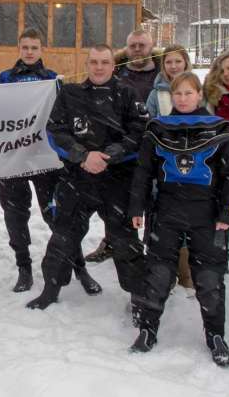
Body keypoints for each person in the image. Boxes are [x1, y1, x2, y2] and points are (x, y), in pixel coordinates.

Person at [128, 72, 229, 367]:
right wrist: (136, 208)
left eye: (188, 93)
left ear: (200, 94)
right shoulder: (157, 129)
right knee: (159, 272)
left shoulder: (219, 128)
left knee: (209, 277)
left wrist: (228, 213)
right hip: (165, 210)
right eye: (177, 94)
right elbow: (142, 172)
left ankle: (216, 335)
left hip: (206, 213)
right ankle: (148, 328)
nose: (182, 99)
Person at [26, 45, 148, 311]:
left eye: (105, 62)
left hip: (117, 178)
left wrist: (112, 154)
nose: (99, 67)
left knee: (124, 239)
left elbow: (140, 131)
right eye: (94, 62)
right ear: (87, 64)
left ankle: (139, 297)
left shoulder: (127, 94)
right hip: (78, 176)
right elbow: (55, 131)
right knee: (63, 234)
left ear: (113, 65)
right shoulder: (71, 94)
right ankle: (51, 288)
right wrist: (82, 155)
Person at [0, 29, 100, 294]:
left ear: (42, 50)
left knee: (58, 218)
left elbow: (65, 116)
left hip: (46, 160)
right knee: (15, 217)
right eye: (25, 47)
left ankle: (79, 268)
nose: (29, 52)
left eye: (34, 47)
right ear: (18, 49)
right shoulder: (5, 78)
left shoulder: (52, 79)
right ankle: (24, 268)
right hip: (13, 159)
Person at [87, 28, 160, 263]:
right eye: (133, 45)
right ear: (126, 49)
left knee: (153, 199)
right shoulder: (114, 73)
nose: (137, 49)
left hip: (156, 147)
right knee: (118, 204)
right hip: (120, 151)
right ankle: (114, 242)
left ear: (151, 46)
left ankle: (155, 248)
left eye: (142, 45)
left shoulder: (163, 74)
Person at [144, 44, 196, 293]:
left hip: (193, 170)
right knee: (161, 220)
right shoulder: (156, 95)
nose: (173, 66)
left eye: (178, 61)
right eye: (168, 62)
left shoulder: (197, 91)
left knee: (188, 221)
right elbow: (149, 129)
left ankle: (186, 272)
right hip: (163, 169)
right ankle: (162, 270)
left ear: (185, 63)